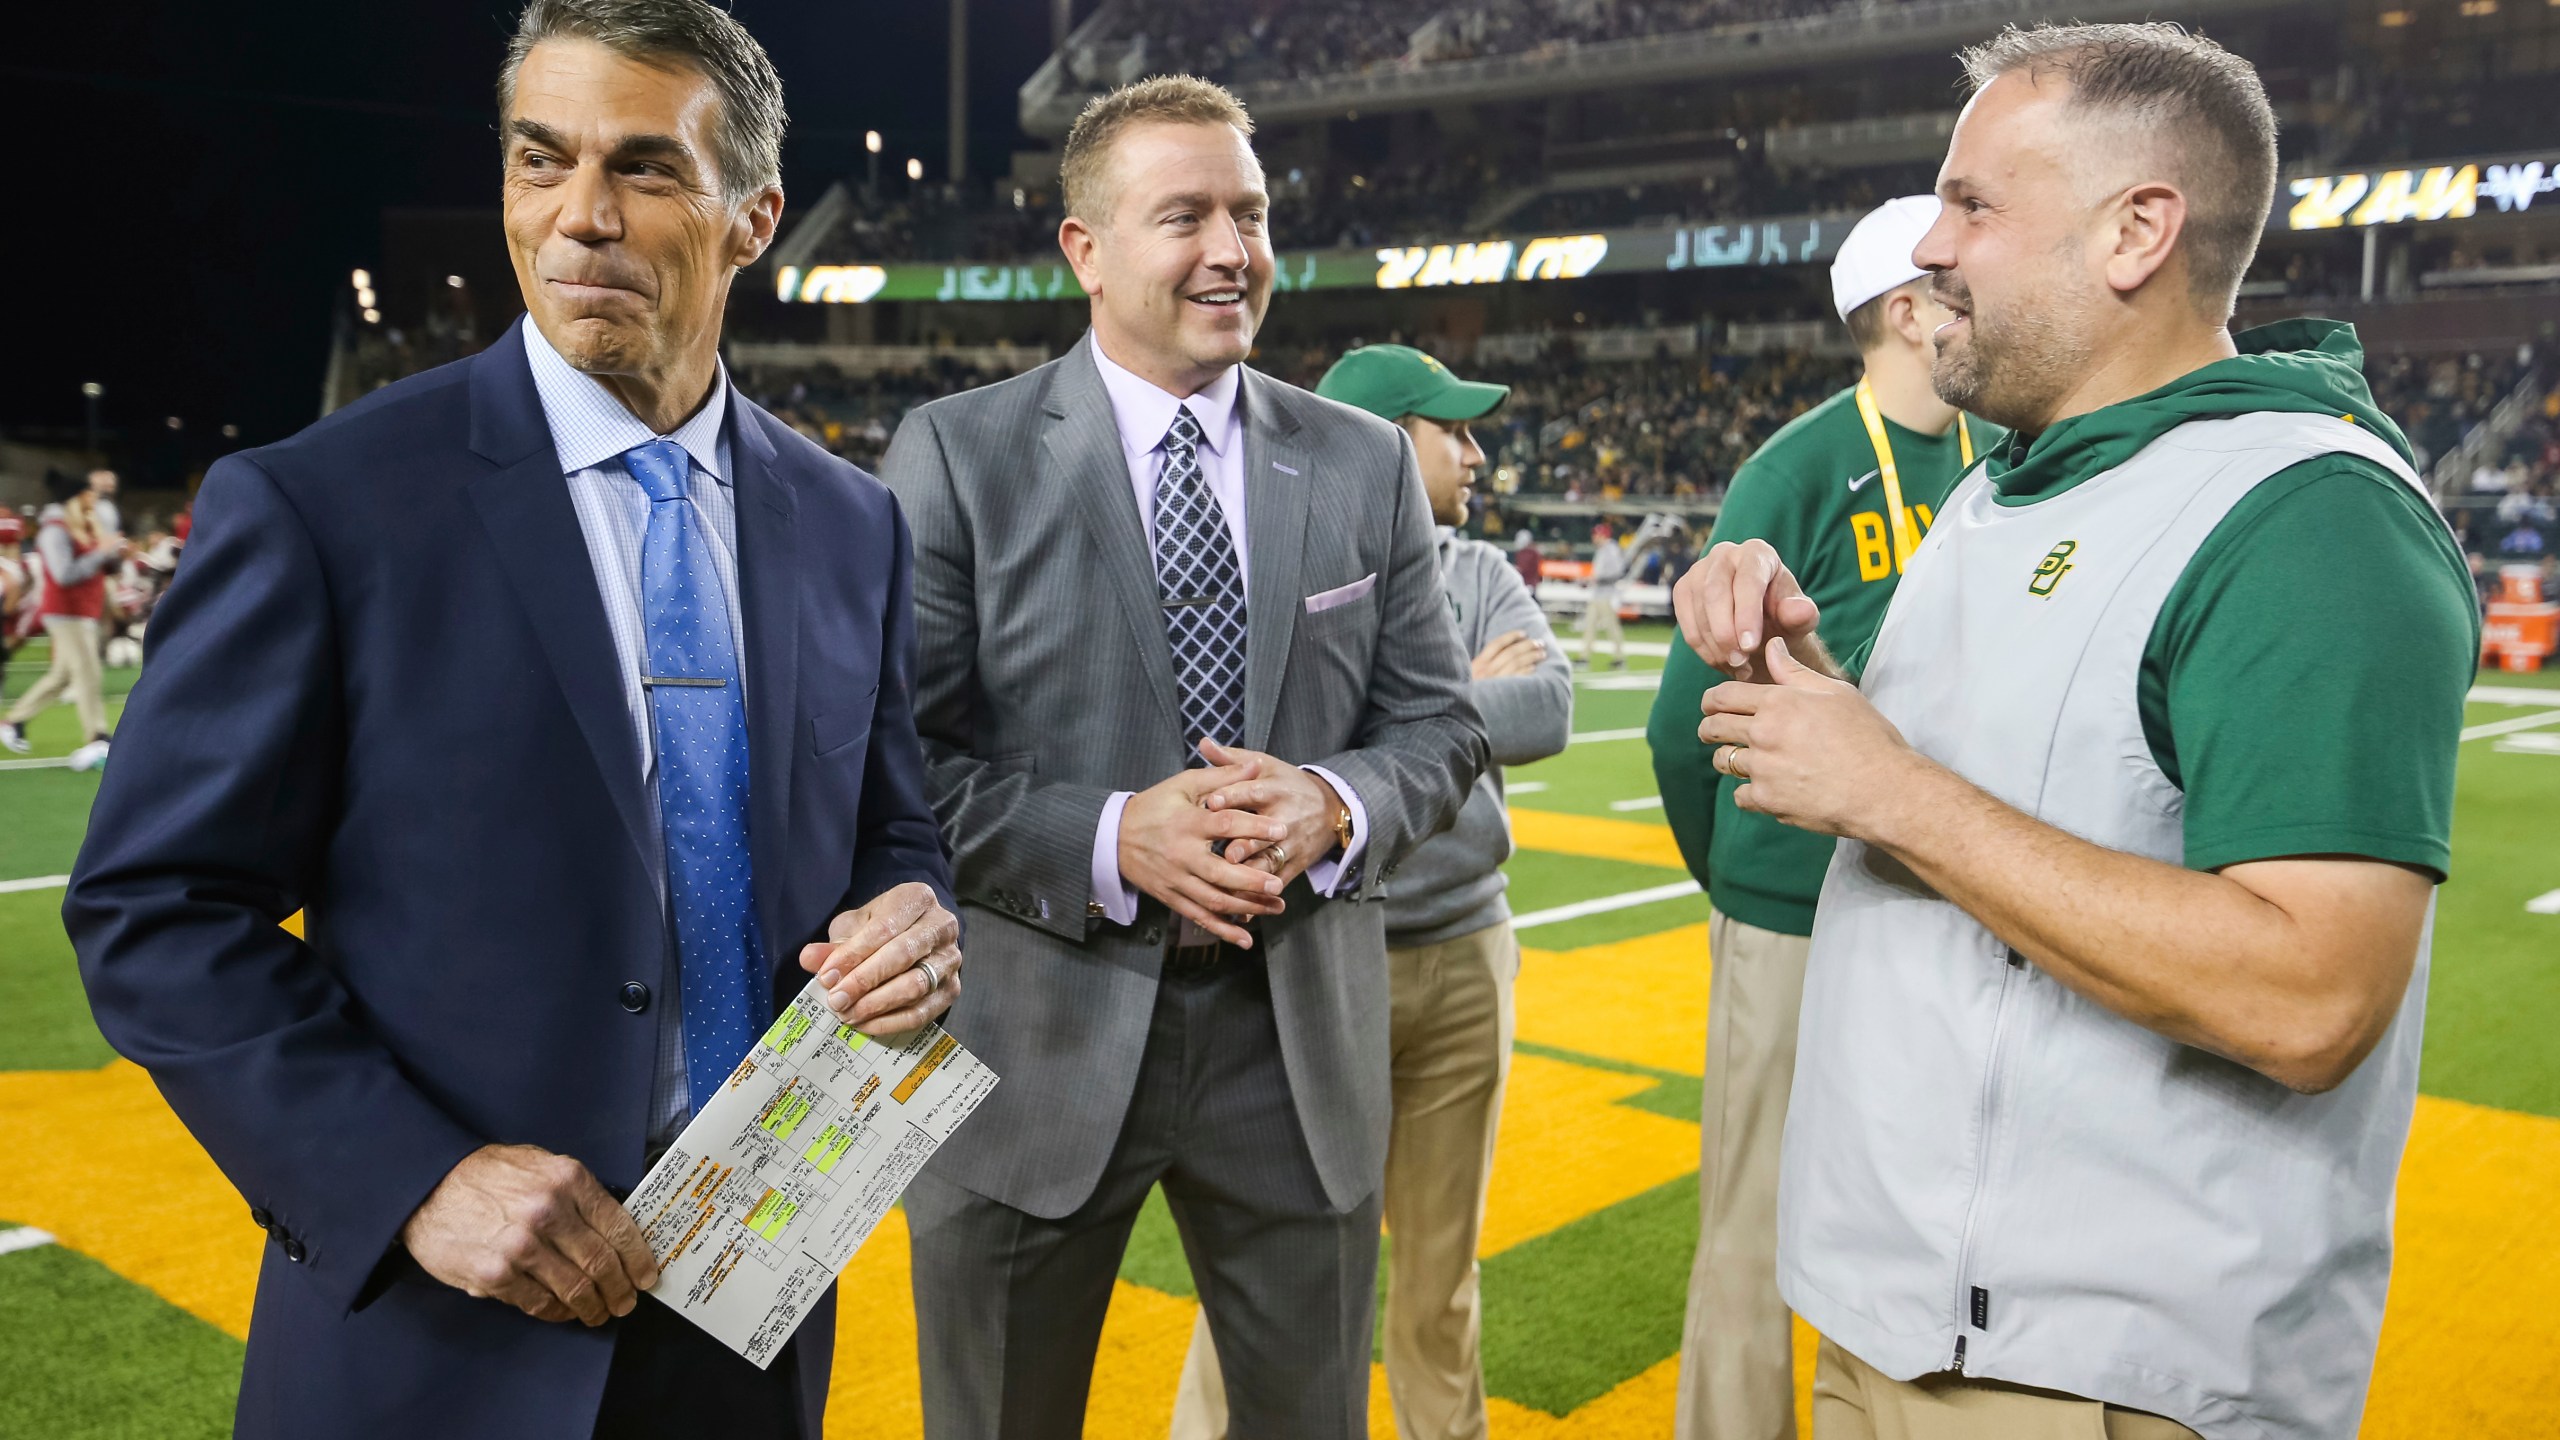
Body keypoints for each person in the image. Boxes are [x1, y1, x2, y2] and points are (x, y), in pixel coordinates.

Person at [65, 3, 959, 1437]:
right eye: (541, 161)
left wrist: (911, 911)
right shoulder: (324, 504)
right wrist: (413, 1177)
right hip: (448, 1336)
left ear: (755, 218)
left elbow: (891, 826)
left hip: (753, 1297)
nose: (581, 217)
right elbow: (155, 907)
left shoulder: (853, 525)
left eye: (648, 170)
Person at [1675, 23, 2477, 1440]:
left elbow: (2310, 996)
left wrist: (1895, 792)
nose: (1929, 244)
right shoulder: (2008, 486)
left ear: (2136, 231)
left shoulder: (2309, 518)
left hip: (2090, 1372)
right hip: (1896, 1317)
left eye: (1974, 202)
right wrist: (1820, 696)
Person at [880, 75, 1485, 1440]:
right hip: (1032, 1048)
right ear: (1085, 252)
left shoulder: (1361, 463)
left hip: (1296, 1050)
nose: (1231, 248)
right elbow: (904, 768)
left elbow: (1442, 728)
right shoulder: (958, 457)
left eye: (1251, 212)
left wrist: (1335, 803)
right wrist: (1109, 840)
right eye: (1185, 216)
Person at [1169, 344, 1572, 1440]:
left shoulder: (1480, 567)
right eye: (1455, 430)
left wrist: (1403, 722)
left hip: (1467, 949)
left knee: (1442, 1275)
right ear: (1388, 439)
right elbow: (1259, 763)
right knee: (1266, 1265)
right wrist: (1443, 712)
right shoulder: (1270, 558)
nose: (1478, 453)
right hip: (1317, 961)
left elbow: (1552, 709)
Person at [1647, 195, 2001, 1440]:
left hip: (1951, 888)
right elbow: (1673, 728)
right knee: (1752, 1219)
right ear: (1905, 312)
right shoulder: (1793, 468)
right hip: (1794, 906)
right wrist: (1744, 884)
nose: (1980, 289)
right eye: (1955, 280)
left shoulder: (1999, 457)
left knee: (1920, 1206)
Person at [2, 469, 124, 763]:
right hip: (65, 611)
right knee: (88, 672)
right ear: (75, 497)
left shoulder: (81, 525)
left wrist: (110, 554)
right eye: (88, 494)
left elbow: (96, 567)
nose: (93, 499)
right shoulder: (54, 529)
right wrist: (100, 552)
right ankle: (96, 737)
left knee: (62, 675)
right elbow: (64, 574)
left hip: (82, 609)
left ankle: (12, 722)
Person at [1580, 520, 1625, 667]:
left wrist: (1597, 579)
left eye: (1596, 534)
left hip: (1607, 594)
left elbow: (1617, 572)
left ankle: (1619, 658)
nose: (1594, 538)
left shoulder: (1611, 549)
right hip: (1597, 594)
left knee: (1611, 626)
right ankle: (1584, 657)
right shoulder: (1602, 550)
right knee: (1589, 625)